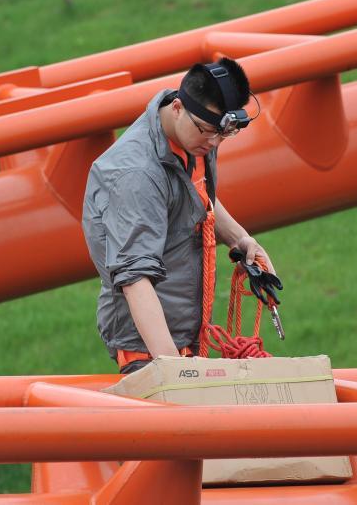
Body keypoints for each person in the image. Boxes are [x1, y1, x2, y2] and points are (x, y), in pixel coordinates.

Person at [82, 58, 275, 374]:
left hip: (186, 340)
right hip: (149, 351)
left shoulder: (195, 134)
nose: (213, 143)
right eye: (208, 132)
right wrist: (176, 373)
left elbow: (195, 193)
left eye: (222, 135)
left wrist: (241, 238)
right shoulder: (137, 175)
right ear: (176, 109)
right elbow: (134, 280)